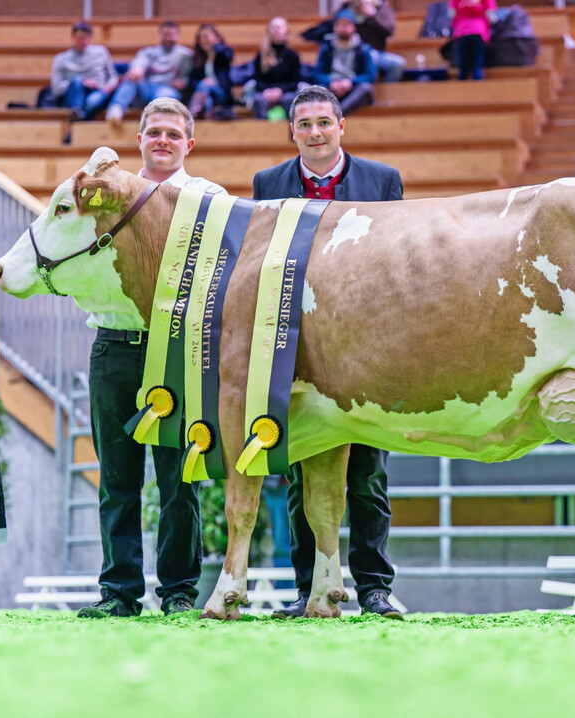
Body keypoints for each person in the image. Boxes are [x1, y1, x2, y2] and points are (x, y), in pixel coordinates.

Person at [252, 85, 403, 619]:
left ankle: (374, 588)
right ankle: (307, 587)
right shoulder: (267, 185)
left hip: (363, 350)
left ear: (342, 127)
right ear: (292, 131)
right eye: (304, 124)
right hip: (296, 348)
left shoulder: (382, 182)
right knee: (299, 472)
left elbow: (396, 263)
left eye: (324, 122)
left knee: (367, 473)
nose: (314, 133)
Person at [78, 97, 226, 619]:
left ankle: (179, 590)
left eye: (172, 133)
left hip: (180, 353)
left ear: (190, 143)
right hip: (114, 346)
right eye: (153, 132)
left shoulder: (211, 199)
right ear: (138, 139)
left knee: (179, 477)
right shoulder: (106, 195)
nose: (162, 140)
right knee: (117, 479)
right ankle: (118, 592)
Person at [106, 20, 193, 127]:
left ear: (178, 35)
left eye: (172, 35)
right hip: (147, 88)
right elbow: (139, 62)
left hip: (168, 89)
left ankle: (150, 118)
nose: (169, 38)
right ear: (160, 34)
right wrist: (137, 69)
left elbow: (190, 77)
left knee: (165, 95)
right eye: (166, 34)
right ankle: (116, 110)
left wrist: (183, 82)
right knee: (131, 78)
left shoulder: (186, 55)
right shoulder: (148, 52)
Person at [50, 21, 120, 121]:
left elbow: (113, 77)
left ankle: (77, 119)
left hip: (99, 91)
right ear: (73, 37)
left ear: (91, 38)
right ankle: (77, 112)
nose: (83, 41)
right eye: (80, 38)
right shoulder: (61, 59)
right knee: (77, 81)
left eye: (86, 37)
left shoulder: (101, 52)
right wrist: (82, 82)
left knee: (92, 102)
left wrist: (108, 87)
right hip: (72, 94)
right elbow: (56, 89)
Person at [313, 9, 377, 116]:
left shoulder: (363, 49)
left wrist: (351, 82)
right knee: (314, 91)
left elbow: (370, 75)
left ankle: (336, 116)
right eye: (339, 25)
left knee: (366, 89)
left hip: (353, 88)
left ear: (353, 27)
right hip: (331, 88)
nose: (343, 28)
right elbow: (317, 73)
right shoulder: (326, 49)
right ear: (334, 27)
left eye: (346, 25)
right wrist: (330, 82)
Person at [249, 17, 304, 120]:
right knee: (258, 100)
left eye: (280, 27)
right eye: (274, 27)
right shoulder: (261, 56)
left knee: (290, 100)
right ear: (269, 32)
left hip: (287, 92)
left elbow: (296, 81)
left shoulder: (293, 56)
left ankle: (291, 132)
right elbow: (257, 79)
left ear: (287, 31)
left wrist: (280, 90)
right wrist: (267, 91)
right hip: (266, 92)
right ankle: (262, 132)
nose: (277, 30)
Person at [341, 0, 407, 82]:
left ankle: (386, 91)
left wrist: (372, 16)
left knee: (398, 63)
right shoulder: (346, 8)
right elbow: (332, 27)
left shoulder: (383, 10)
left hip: (377, 52)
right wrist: (346, 7)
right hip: (349, 52)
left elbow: (388, 32)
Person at [186, 24, 235, 120]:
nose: (203, 41)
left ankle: (190, 116)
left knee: (205, 84)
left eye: (206, 37)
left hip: (221, 93)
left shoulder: (224, 52)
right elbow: (192, 82)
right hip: (204, 95)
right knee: (208, 102)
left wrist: (216, 45)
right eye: (200, 38)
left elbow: (227, 57)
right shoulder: (198, 58)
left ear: (216, 37)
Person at [449, 0, 498, 81]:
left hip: (461, 31)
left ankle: (461, 91)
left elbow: (451, 15)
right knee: (477, 66)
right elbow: (491, 16)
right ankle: (478, 91)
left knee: (463, 67)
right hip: (479, 31)